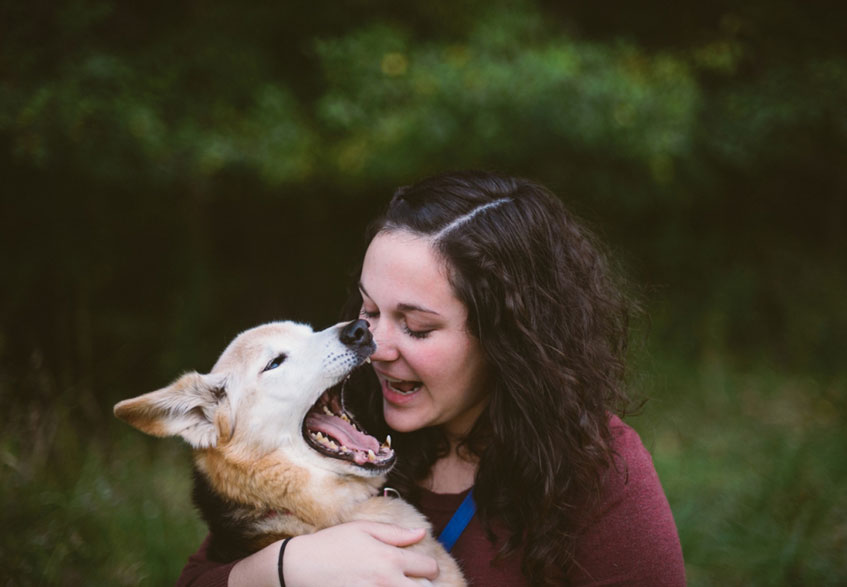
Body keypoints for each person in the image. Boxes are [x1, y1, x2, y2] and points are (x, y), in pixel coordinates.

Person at [177, 170, 686, 586]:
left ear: (506, 337)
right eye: (369, 311)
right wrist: (283, 569)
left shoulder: (594, 468)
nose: (376, 348)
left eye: (417, 327)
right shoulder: (337, 424)